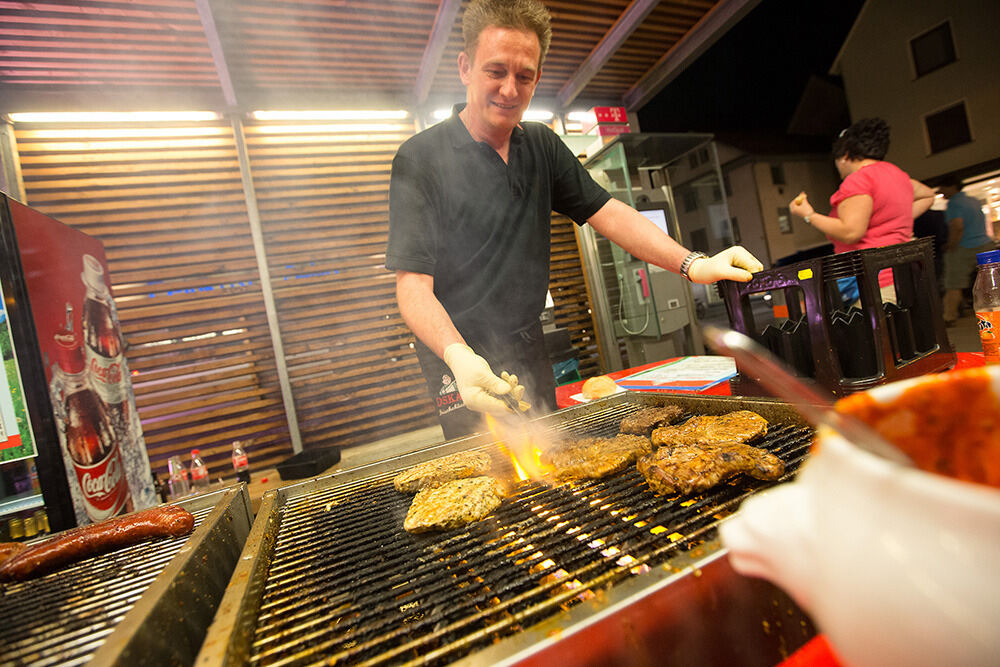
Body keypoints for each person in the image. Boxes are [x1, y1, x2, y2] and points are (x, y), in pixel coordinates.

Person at [385, 0, 763, 440]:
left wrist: (693, 264)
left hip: (528, 341)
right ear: (466, 67)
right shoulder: (421, 157)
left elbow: (610, 213)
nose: (510, 89)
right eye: (496, 71)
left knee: (548, 452)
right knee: (486, 469)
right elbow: (411, 286)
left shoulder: (542, 145)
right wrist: (458, 356)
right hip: (459, 354)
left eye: (524, 76)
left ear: (537, 79)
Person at [789, 118, 936, 305]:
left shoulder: (858, 180)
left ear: (844, 156)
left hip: (872, 282)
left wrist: (809, 215)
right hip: (904, 274)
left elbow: (850, 232)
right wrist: (894, 219)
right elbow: (927, 195)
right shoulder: (897, 174)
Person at [938, 175, 994, 324]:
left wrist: (951, 246)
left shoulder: (954, 203)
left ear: (952, 187)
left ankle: (949, 316)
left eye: (942, 187)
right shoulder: (974, 201)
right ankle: (994, 309)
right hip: (985, 243)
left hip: (965, 247)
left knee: (953, 284)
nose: (941, 191)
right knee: (991, 280)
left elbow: (957, 226)